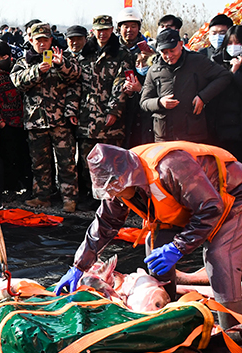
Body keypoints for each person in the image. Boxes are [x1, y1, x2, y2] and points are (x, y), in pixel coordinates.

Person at [56, 142, 242, 329]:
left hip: (234, 194)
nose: (114, 197)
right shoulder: (119, 185)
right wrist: (79, 265)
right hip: (190, 202)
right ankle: (166, 313)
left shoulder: (170, 167)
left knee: (220, 256)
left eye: (116, 190)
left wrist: (178, 247)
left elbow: (209, 208)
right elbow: (105, 223)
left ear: (128, 180)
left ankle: (233, 331)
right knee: (155, 246)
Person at [10, 22, 80, 212]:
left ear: (51, 40)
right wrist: (37, 71)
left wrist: (61, 66)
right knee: (39, 163)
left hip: (60, 120)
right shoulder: (23, 62)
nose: (42, 44)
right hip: (35, 121)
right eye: (38, 40)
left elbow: (76, 77)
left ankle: (69, 198)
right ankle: (42, 197)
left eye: (45, 40)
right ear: (31, 40)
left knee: (66, 161)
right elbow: (17, 81)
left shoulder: (63, 57)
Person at [76, 15, 134, 211]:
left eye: (106, 29)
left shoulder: (122, 54)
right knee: (88, 161)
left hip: (111, 119)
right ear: (93, 31)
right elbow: (75, 85)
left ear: (112, 30)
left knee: (112, 162)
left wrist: (114, 111)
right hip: (87, 118)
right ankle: (92, 196)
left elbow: (122, 85)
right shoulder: (84, 53)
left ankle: (113, 200)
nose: (102, 33)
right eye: (99, 30)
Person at [140, 28, 231, 144]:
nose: (169, 56)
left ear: (181, 44)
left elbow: (224, 76)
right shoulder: (154, 70)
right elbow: (144, 102)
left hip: (192, 133)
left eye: (172, 50)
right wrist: (159, 102)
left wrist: (203, 97)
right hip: (164, 135)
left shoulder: (197, 61)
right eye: (164, 52)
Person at [207, 24, 242, 166]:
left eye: (238, 43)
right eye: (230, 43)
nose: (233, 46)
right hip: (221, 125)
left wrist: (237, 72)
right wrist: (231, 71)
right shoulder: (217, 61)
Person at [0, 40, 29, 198]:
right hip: (6, 123)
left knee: (25, 156)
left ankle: (26, 185)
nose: (1, 61)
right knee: (8, 157)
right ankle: (10, 188)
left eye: (4, 57)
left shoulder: (19, 71)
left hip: (23, 121)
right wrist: (0, 121)